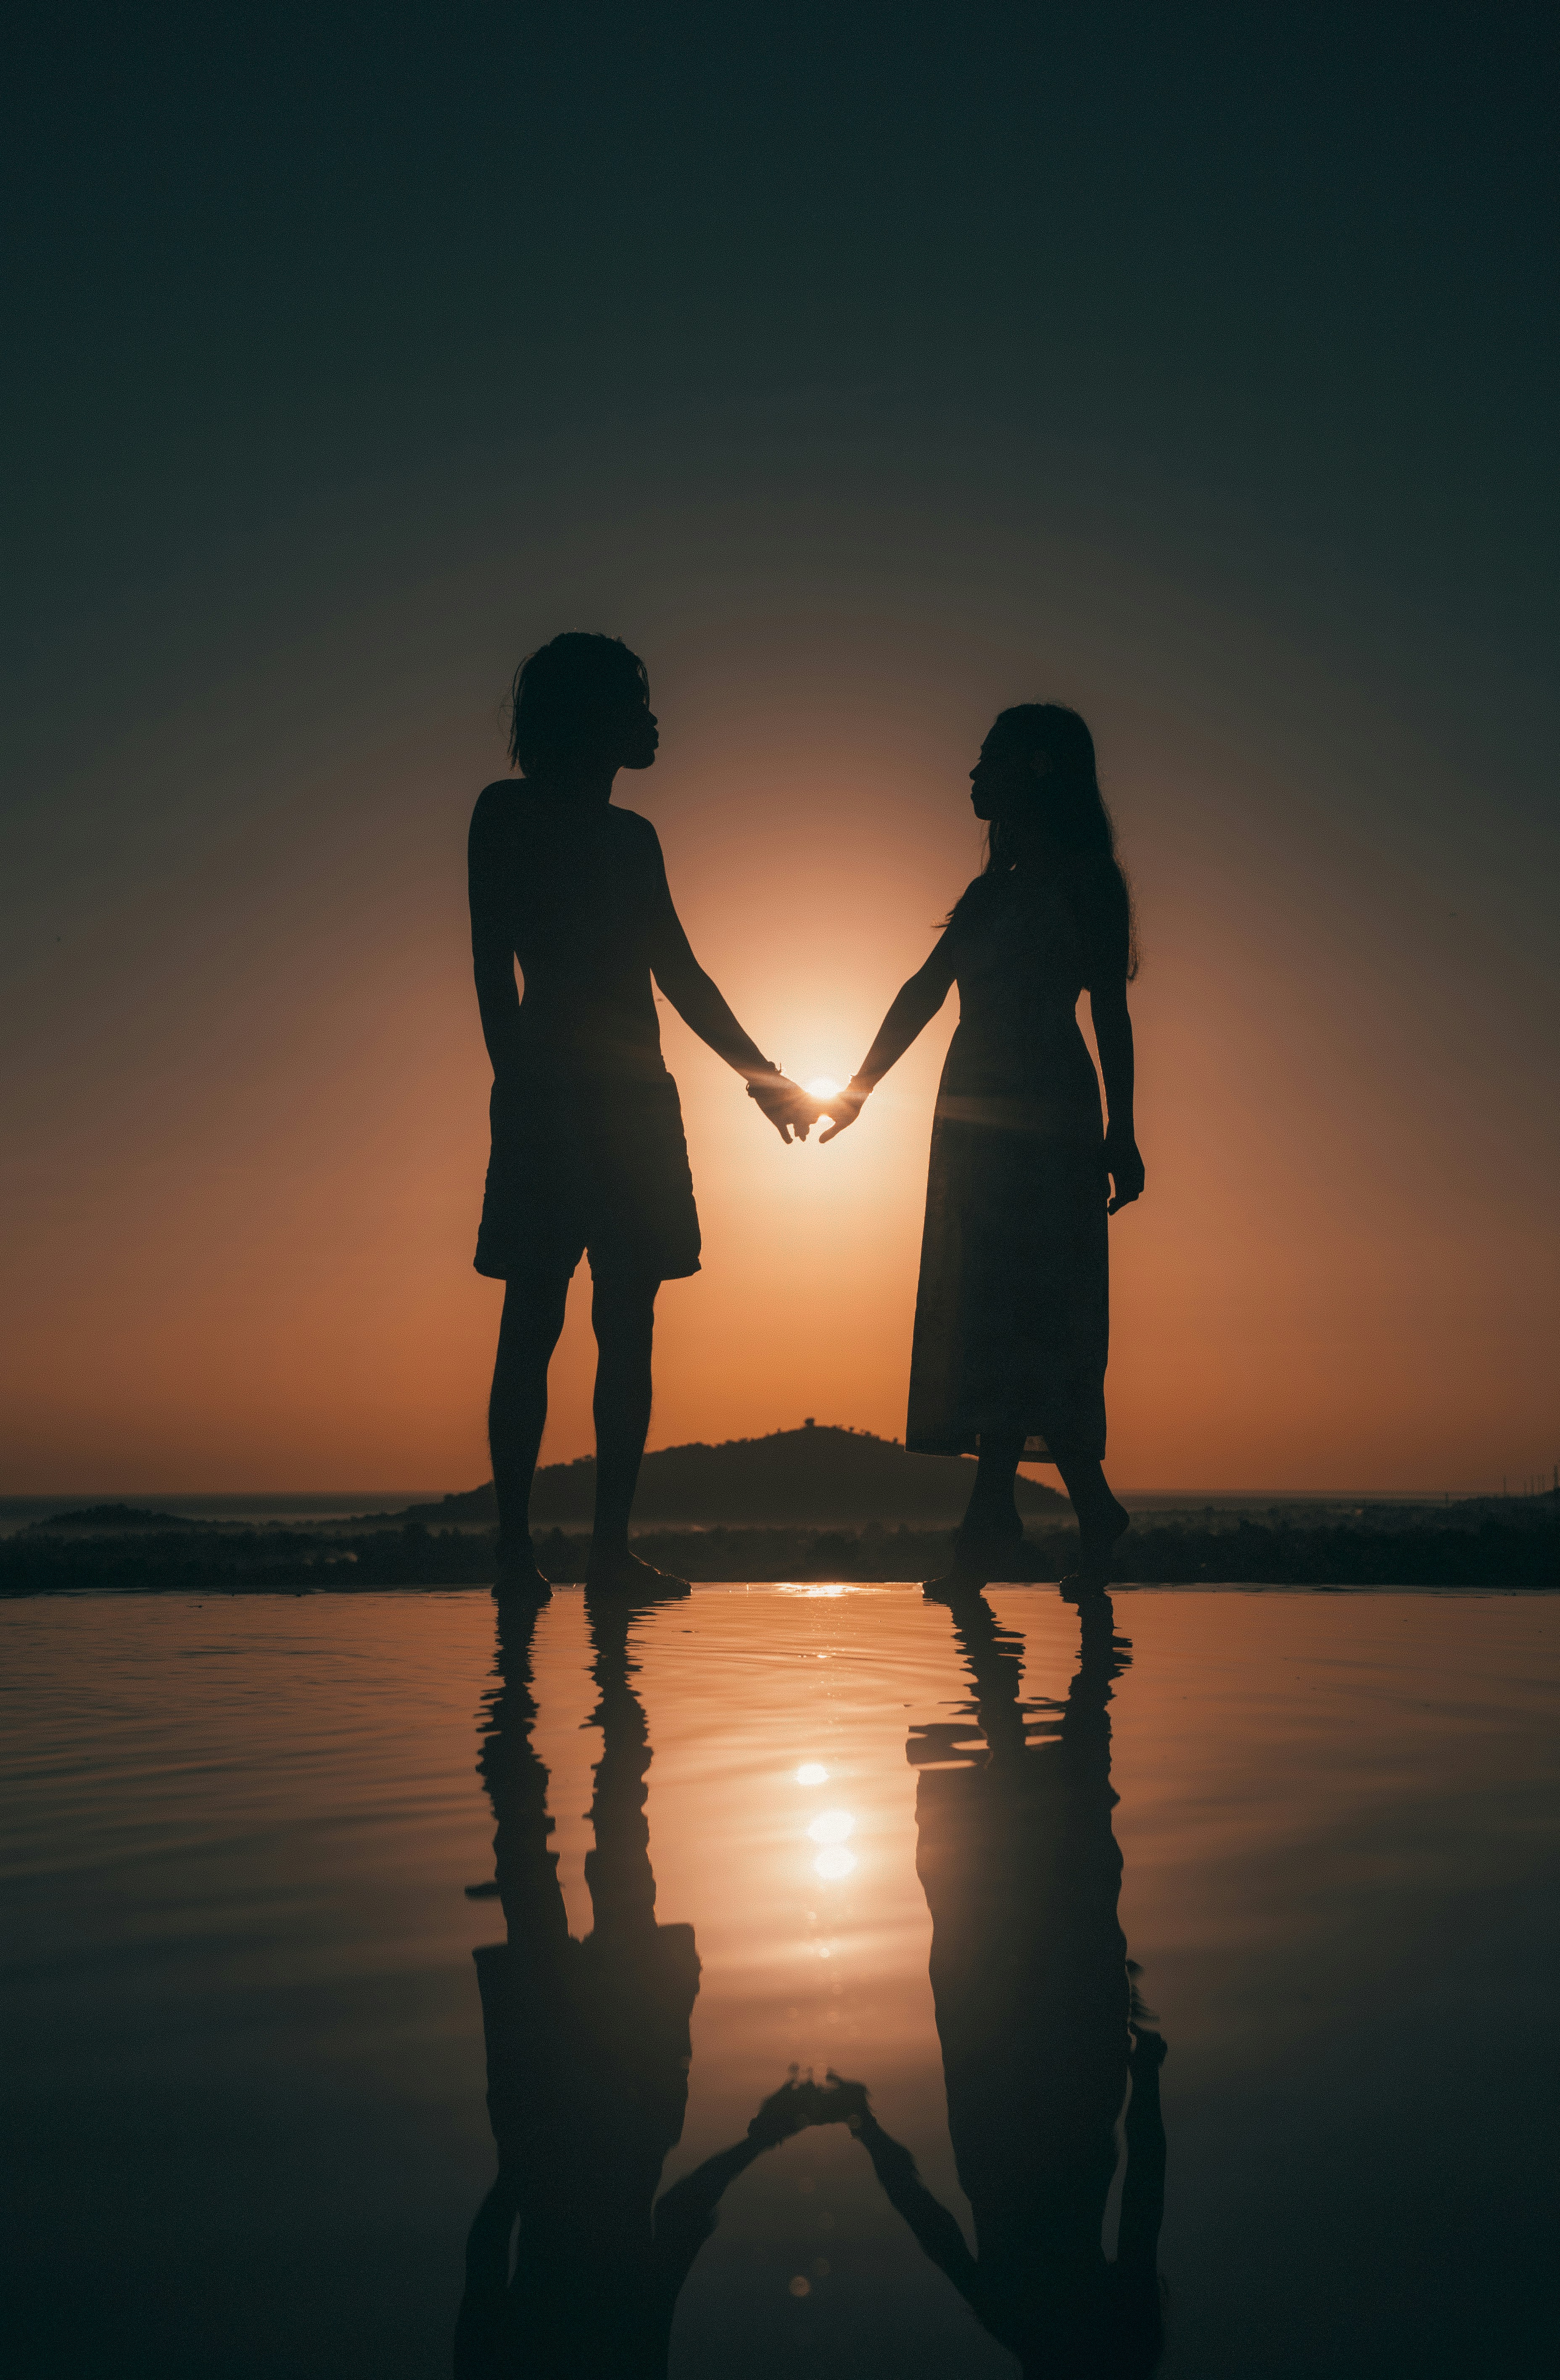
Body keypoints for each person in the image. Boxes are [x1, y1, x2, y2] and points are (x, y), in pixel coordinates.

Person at [469, 633, 813, 1601]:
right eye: (637, 702)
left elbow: (679, 973)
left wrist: (762, 1078)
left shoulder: (635, 838)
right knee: (534, 1317)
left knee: (626, 1323)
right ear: (590, 717)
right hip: (550, 1098)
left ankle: (606, 1549)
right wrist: (515, 1083)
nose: (655, 720)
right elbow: (492, 963)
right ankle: (512, 1548)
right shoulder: (506, 815)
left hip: (634, 1107)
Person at [454, 1589, 857, 2379]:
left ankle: (569, 1675)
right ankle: (584, 1676)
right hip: (565, 2123)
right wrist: (513, 2172)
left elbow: (668, 2223)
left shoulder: (626, 2360)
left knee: (605, 1871)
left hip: (614, 2117)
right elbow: (489, 2256)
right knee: (551, 1876)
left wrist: (759, 2139)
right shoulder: (618, 2361)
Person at [818, 703, 1143, 1586]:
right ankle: (1071, 1513)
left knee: (1026, 1313)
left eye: (986, 763)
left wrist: (1122, 1129)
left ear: (1035, 772)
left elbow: (1109, 1010)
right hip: (972, 1119)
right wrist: (857, 1090)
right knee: (999, 1315)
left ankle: (990, 1533)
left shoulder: (1089, 883)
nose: (970, 779)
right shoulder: (988, 892)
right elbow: (924, 990)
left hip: (1048, 1112)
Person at [820, 1586, 1168, 2378]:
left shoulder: (1086, 2336)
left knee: (1048, 1891)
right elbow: (934, 2226)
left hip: (1069, 2101)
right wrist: (865, 2127)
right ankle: (1002, 1674)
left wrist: (1147, 2081)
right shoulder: (1028, 2326)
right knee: (996, 1910)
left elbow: (1145, 2198)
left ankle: (1011, 1671)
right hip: (1005, 2103)